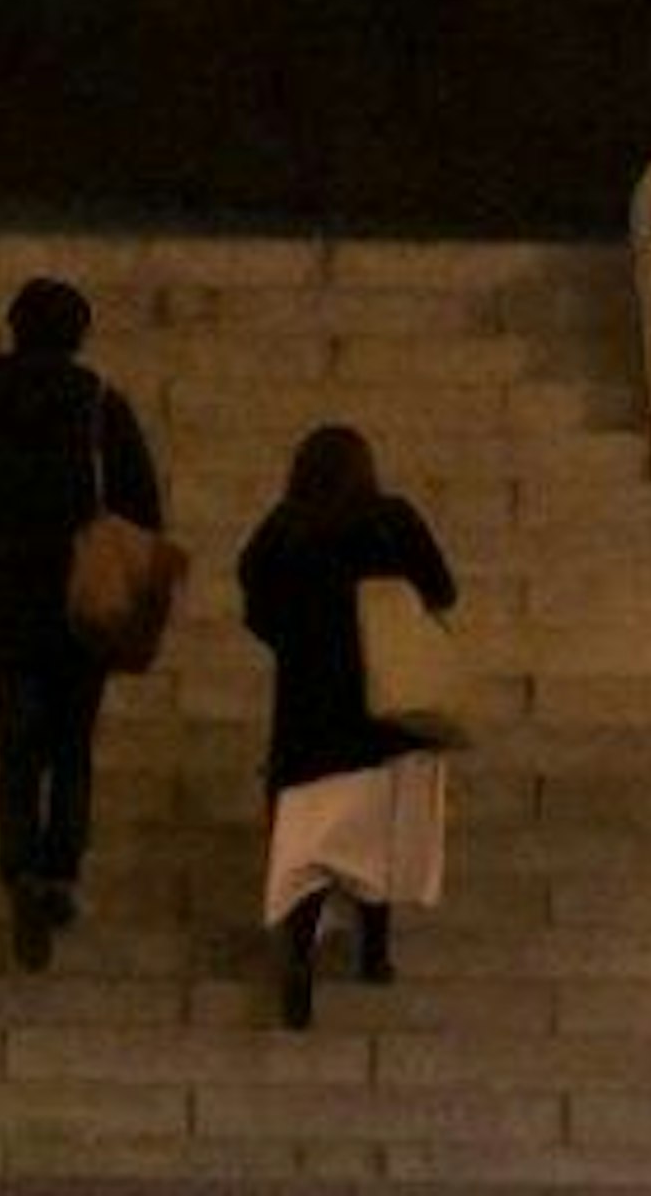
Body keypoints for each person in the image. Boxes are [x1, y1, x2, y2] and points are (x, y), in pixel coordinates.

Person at [0, 274, 165, 970]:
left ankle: (19, 865)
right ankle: (60, 869)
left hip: (6, 600)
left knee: (16, 739)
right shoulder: (97, 405)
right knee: (72, 740)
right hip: (80, 603)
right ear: (78, 332)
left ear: (15, 327)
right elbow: (141, 504)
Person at [234, 419, 458, 1027]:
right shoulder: (391, 519)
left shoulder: (286, 527)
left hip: (308, 719)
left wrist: (297, 637)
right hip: (383, 713)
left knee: (307, 848)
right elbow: (443, 588)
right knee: (375, 837)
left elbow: (252, 598)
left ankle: (300, 954)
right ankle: (375, 953)